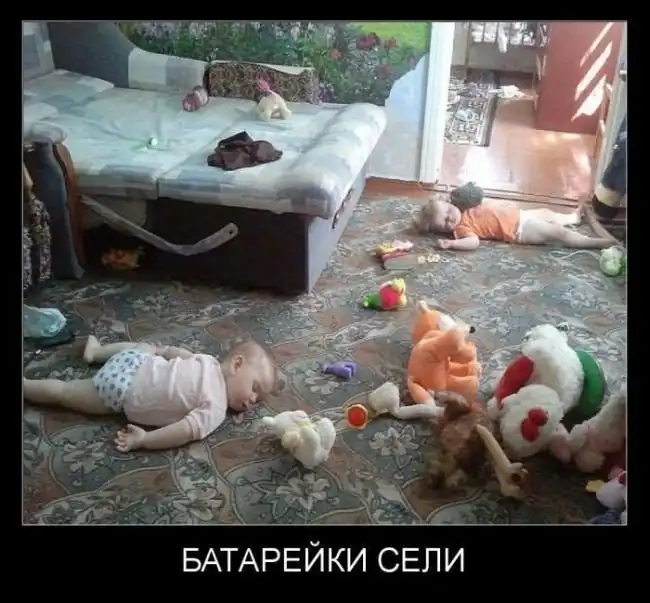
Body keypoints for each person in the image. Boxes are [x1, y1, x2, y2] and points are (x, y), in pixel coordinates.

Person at [23, 336, 280, 453]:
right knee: (66, 392)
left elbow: (184, 429)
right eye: (255, 388)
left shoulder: (210, 374)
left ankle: (96, 353)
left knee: (66, 391)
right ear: (236, 364)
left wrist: (147, 439)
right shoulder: (216, 404)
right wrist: (146, 440)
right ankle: (94, 354)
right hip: (126, 382)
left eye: (257, 400)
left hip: (127, 379)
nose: (252, 401)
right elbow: (185, 431)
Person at [413, 197, 614, 251]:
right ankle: (594, 242)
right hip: (520, 230)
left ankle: (572, 219)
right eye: (445, 223)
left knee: (548, 213)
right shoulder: (461, 229)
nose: (451, 218)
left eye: (449, 211)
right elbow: (473, 242)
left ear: (449, 203)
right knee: (558, 232)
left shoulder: (464, 207)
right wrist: (453, 244)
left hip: (521, 215)